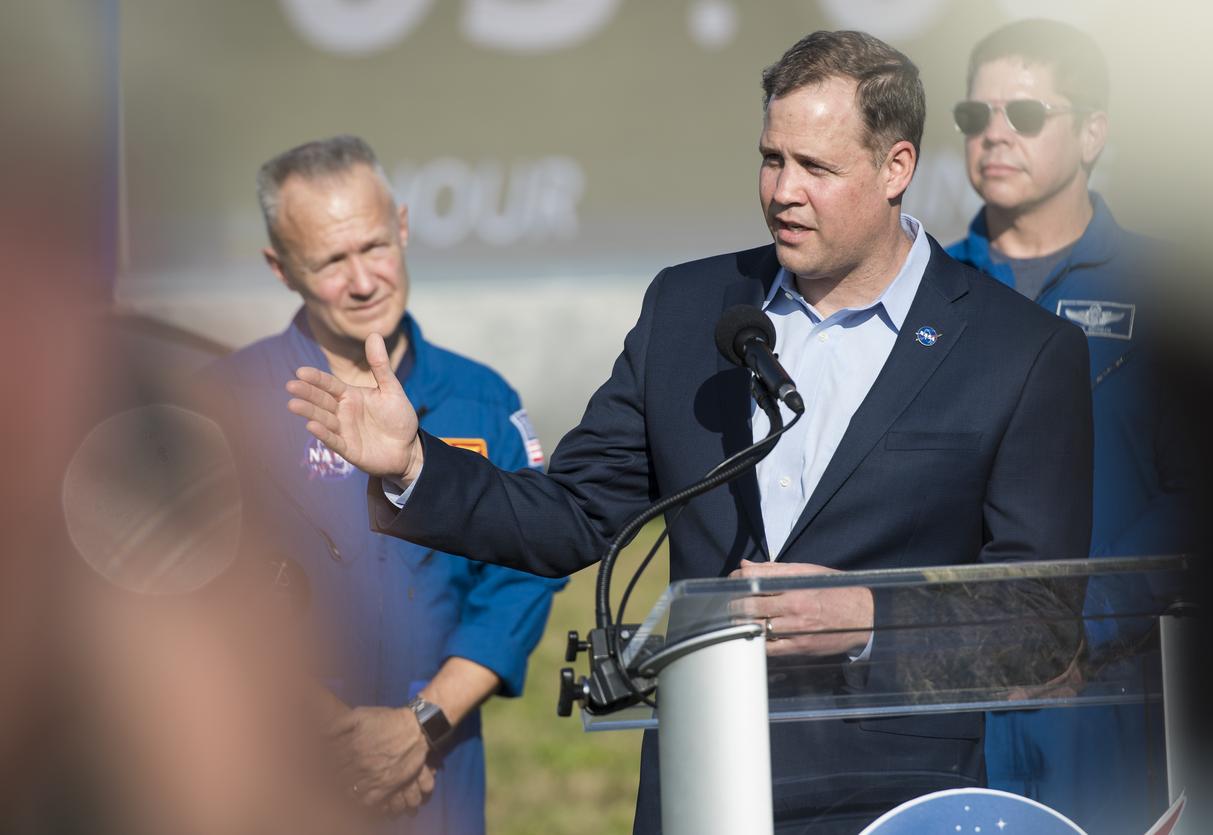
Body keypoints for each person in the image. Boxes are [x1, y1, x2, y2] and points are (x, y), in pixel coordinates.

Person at [286, 33, 1093, 833]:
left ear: (896, 168)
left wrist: (867, 617)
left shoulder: (1017, 352)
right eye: (771, 159)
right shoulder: (689, 308)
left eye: (815, 168)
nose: (783, 191)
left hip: (893, 800)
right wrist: (414, 466)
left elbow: (1040, 624)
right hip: (701, 785)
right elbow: (573, 511)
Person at [200, 135, 564, 835]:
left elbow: (521, 577)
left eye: (373, 246)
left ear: (402, 226)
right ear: (281, 268)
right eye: (331, 261)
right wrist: (342, 740)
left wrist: (420, 723)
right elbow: (192, 595)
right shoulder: (221, 408)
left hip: (436, 777)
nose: (364, 281)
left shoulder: (483, 401)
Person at [945, 19, 1194, 834]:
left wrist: (1079, 625)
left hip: (1115, 696)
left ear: (1092, 132)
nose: (994, 135)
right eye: (975, 116)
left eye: (1024, 113)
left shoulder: (1172, 290)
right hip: (954, 707)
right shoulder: (920, 293)